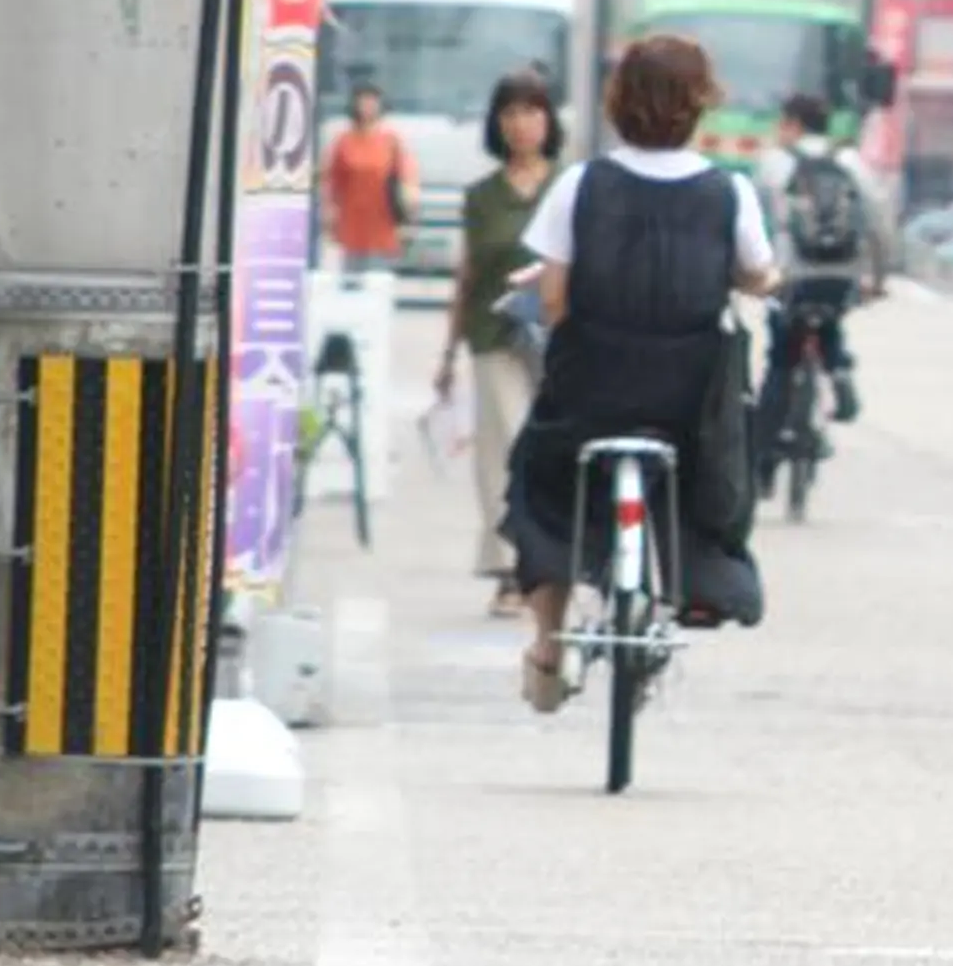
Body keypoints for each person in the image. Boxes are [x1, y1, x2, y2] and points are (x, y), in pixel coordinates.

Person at [504, 35, 779, 711]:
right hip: (688, 399)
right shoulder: (728, 191)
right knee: (699, 475)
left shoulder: (580, 183)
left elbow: (557, 299)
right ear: (698, 105)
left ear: (618, 101)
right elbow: (757, 273)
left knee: (541, 481)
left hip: (590, 388)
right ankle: (692, 586)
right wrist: (757, 279)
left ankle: (549, 638)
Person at [436, 71, 559, 619]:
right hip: (495, 336)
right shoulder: (482, 197)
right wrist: (447, 351)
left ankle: (556, 558)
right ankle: (511, 568)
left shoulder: (570, 187)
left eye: (532, 111)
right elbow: (467, 276)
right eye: (510, 113)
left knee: (555, 449)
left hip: (560, 338)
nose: (521, 124)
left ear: (550, 120)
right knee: (503, 451)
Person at [758, 90, 891, 454]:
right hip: (842, 274)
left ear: (793, 125)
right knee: (830, 320)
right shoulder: (851, 161)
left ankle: (765, 454)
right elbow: (879, 222)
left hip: (790, 276)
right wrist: (877, 279)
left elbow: (756, 224)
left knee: (781, 354)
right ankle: (839, 371)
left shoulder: (775, 163)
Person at [322, 82, 417, 272]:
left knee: (378, 285)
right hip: (351, 226)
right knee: (351, 286)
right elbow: (332, 183)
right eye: (363, 102)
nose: (367, 107)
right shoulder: (343, 142)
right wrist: (329, 217)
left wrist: (408, 219)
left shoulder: (391, 142)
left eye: (372, 102)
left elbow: (406, 180)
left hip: (383, 226)